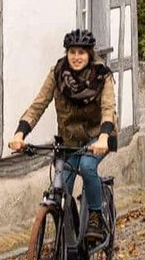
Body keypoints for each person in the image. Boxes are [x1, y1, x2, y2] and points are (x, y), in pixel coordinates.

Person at [9, 29, 117, 248]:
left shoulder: (101, 76)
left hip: (97, 137)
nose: (76, 57)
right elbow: (38, 104)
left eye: (81, 53)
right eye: (72, 52)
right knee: (60, 185)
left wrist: (104, 138)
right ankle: (67, 246)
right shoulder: (57, 73)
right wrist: (20, 133)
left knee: (87, 167)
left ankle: (95, 218)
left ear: (89, 55)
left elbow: (108, 109)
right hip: (69, 141)